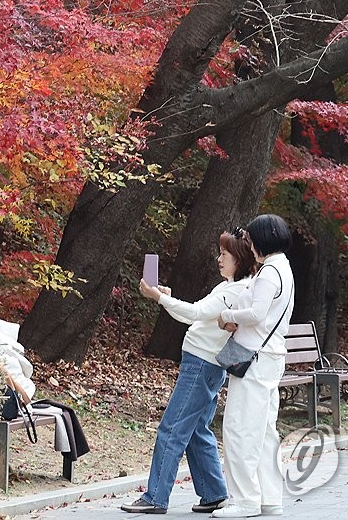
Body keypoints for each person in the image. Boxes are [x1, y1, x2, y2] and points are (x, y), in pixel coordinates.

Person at [120, 230, 258, 515]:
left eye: (224, 254)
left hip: (201, 365)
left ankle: (155, 497)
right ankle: (214, 493)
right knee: (196, 430)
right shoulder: (230, 286)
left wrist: (160, 298)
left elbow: (194, 313)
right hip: (206, 364)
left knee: (171, 428)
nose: (219, 259)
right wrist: (167, 299)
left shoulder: (234, 291)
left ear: (240, 259)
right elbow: (196, 315)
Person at [213, 214, 295, 519]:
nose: (248, 245)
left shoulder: (270, 272)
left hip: (255, 360)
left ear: (261, 240)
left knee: (240, 429)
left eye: (250, 240)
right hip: (270, 358)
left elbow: (257, 314)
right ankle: (269, 498)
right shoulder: (283, 267)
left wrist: (228, 316)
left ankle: (246, 500)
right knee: (263, 431)